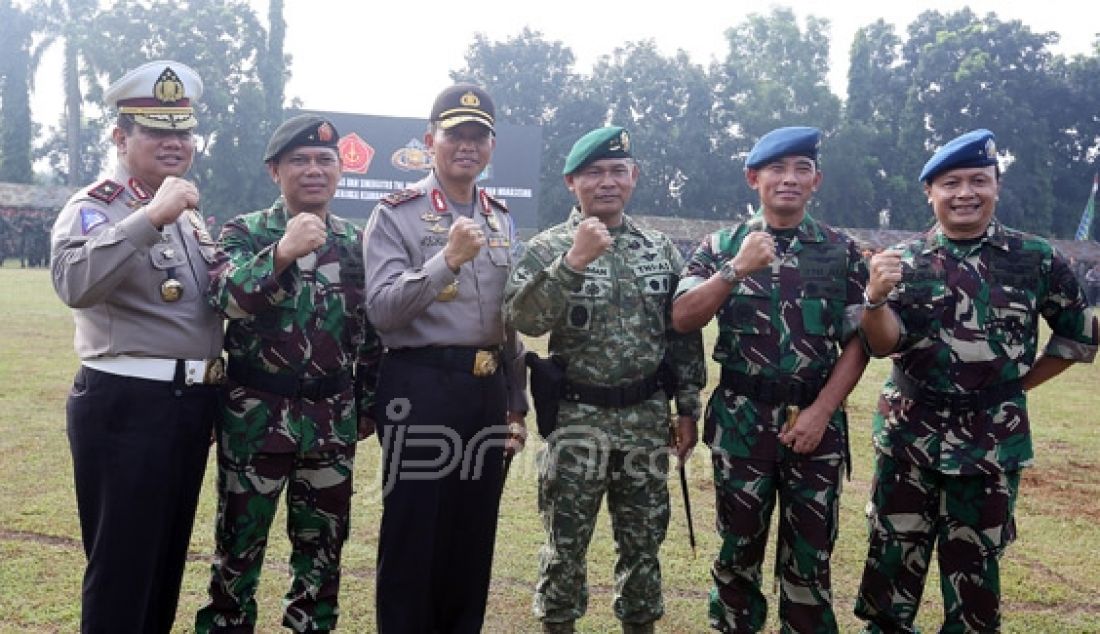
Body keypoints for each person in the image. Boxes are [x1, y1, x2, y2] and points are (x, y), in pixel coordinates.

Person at [854, 129, 1099, 632]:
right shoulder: (904, 258)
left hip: (991, 446)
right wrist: (875, 297)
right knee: (889, 579)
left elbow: (1077, 336)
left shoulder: (1036, 258)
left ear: (996, 186)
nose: (965, 193)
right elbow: (883, 344)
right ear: (930, 192)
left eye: (977, 181)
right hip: (908, 440)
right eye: (951, 182)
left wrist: (1018, 386)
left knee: (974, 590)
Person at [504, 126, 706, 634]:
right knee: (565, 546)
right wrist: (572, 262)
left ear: (634, 177)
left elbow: (681, 333)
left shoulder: (660, 249)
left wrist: (687, 408)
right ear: (572, 182)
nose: (607, 182)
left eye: (618, 171)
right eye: (594, 173)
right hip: (577, 423)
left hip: (644, 420)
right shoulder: (549, 245)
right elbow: (523, 318)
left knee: (643, 547)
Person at [671, 126, 869, 633]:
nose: (789, 179)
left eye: (801, 169)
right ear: (752, 178)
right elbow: (682, 317)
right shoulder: (719, 247)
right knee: (737, 553)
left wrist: (823, 411)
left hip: (816, 423)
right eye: (776, 170)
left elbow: (862, 340)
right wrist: (734, 270)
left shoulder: (842, 252)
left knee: (810, 559)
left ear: (816, 180)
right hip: (741, 422)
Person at [49, 60, 222, 633]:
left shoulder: (190, 215)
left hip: (188, 405)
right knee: (123, 567)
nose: (174, 143)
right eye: (156, 131)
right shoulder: (98, 205)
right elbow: (74, 282)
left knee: (164, 564)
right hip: (126, 405)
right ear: (121, 137)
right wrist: (149, 217)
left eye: (183, 132)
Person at [195, 114, 380, 633]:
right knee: (237, 553)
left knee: (322, 555)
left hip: (330, 421)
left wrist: (364, 407)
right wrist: (280, 254)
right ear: (275, 170)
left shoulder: (356, 241)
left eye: (325, 160)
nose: (314, 170)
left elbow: (373, 334)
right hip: (255, 418)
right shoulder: (244, 231)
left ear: (340, 170)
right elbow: (225, 297)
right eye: (299, 160)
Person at [362, 83, 528, 633]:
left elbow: (508, 322)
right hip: (420, 388)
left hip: (484, 393)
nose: (467, 145)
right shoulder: (396, 214)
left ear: (491, 146)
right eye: (456, 133)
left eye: (478, 136)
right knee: (415, 536)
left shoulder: (500, 218)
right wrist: (446, 262)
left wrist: (515, 403)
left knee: (472, 535)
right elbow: (383, 311)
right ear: (430, 139)